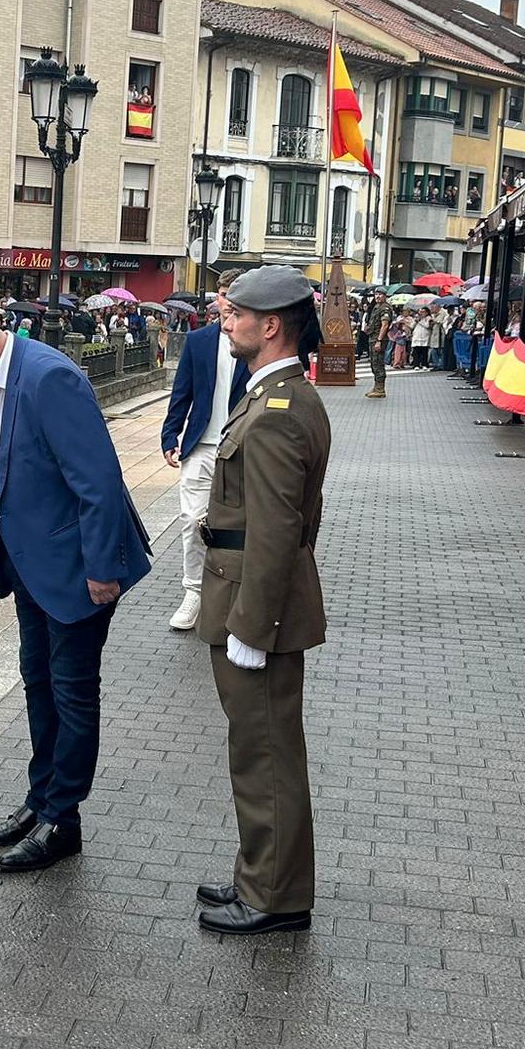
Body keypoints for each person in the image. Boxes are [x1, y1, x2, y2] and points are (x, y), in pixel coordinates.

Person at [0, 294, 150, 874]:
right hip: (30, 566)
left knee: (72, 692)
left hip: (75, 567)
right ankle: (40, 800)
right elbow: (7, 457)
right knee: (39, 683)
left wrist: (102, 568)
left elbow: (98, 479)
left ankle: (63, 820)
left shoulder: (49, 378)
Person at [194, 265, 329, 935]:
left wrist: (254, 624)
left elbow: (278, 528)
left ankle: (274, 897)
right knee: (258, 746)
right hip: (251, 595)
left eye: (235, 313)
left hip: (255, 606)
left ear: (270, 325)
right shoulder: (276, 396)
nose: (228, 320)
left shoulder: (279, 408)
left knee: (265, 751)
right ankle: (262, 875)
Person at [161, 270, 248, 632]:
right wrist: (170, 437)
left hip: (243, 448)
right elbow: (182, 393)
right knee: (191, 521)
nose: (226, 300)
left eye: (234, 293)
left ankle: (234, 594)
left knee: (241, 525)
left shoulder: (256, 341)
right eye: (223, 292)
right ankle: (193, 592)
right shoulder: (199, 341)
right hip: (201, 446)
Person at [363, 298, 389, 398]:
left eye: (380, 294)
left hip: (378, 339)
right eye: (376, 294)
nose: (377, 296)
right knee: (374, 363)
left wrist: (379, 340)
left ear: (384, 296)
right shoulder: (376, 307)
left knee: (378, 363)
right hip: (373, 338)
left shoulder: (385, 308)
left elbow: (385, 325)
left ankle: (380, 389)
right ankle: (376, 387)